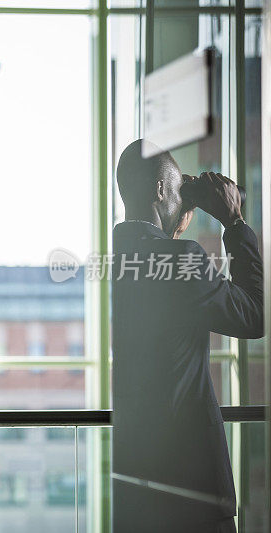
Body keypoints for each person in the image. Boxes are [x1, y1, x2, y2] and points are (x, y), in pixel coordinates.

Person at [111, 139, 263, 533]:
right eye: (178, 190)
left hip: (134, 485)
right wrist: (234, 223)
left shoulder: (118, 258)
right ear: (161, 190)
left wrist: (175, 222)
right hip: (193, 489)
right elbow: (254, 317)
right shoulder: (183, 260)